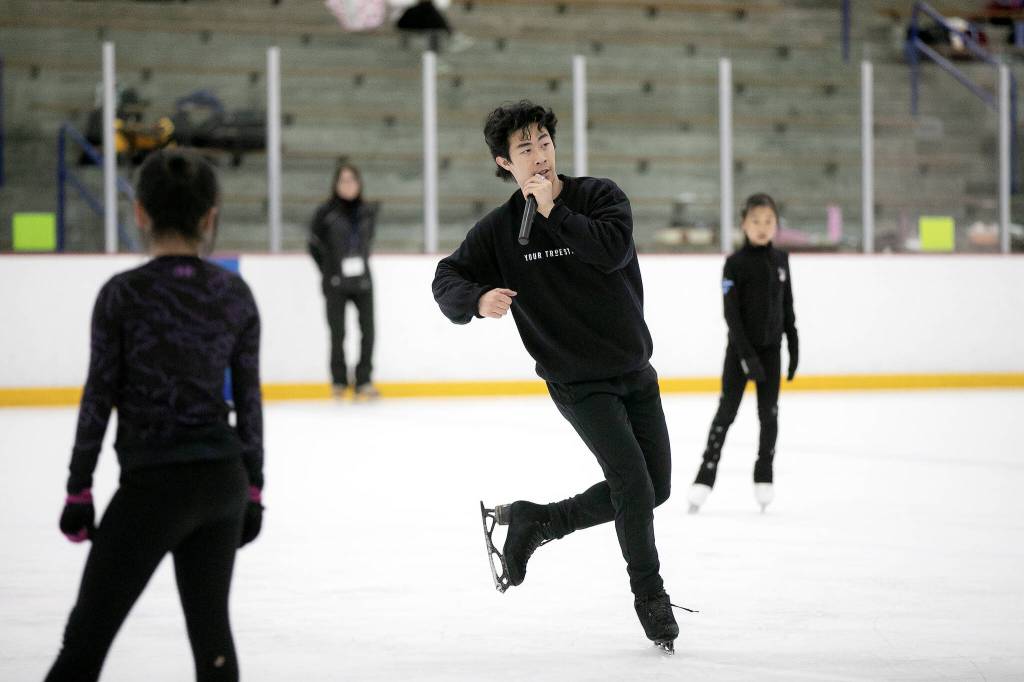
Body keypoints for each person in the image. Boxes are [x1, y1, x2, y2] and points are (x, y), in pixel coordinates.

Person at [432, 100, 683, 653]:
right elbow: (445, 276)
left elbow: (612, 251)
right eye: (525, 149)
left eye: (544, 142)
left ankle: (535, 522)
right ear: (505, 162)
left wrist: (556, 213)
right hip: (578, 383)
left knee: (654, 488)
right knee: (634, 485)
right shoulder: (499, 232)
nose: (540, 155)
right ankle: (651, 598)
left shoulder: (599, 197)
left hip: (635, 370)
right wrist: (474, 299)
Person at [46, 149, 265, 682]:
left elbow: (99, 397)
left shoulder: (122, 294)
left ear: (139, 212)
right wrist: (254, 489)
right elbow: (250, 403)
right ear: (210, 216)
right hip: (221, 485)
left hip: (153, 489)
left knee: (85, 643)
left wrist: (79, 491)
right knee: (212, 639)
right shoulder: (233, 293)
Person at [686, 192, 798, 514]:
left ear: (775, 224)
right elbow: (731, 316)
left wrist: (794, 343)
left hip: (772, 352)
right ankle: (704, 476)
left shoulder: (781, 261)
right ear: (743, 224)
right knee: (726, 413)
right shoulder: (734, 264)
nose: (762, 227)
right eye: (755, 221)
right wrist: (747, 358)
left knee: (769, 414)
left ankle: (764, 474)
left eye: (768, 221)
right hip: (739, 354)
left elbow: (787, 307)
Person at [308, 161, 379, 400]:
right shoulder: (325, 213)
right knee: (337, 333)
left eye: (352, 180)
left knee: (368, 331)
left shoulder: (368, 212)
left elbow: (367, 242)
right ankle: (338, 381)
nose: (348, 185)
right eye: (343, 180)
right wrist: (328, 270)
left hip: (362, 280)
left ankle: (364, 380)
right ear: (336, 184)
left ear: (359, 184)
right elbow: (313, 245)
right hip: (335, 282)